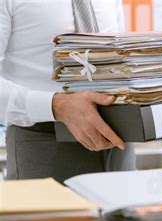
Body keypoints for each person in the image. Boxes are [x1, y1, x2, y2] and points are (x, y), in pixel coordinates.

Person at [0, 0, 135, 183]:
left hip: (118, 142)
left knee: (120, 211)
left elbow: (120, 60)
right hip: (44, 144)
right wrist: (58, 105)